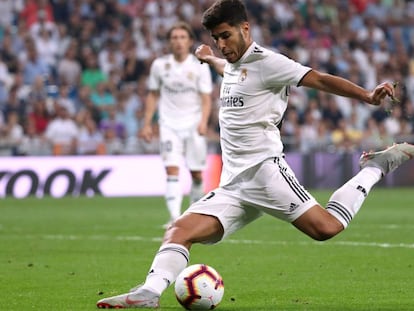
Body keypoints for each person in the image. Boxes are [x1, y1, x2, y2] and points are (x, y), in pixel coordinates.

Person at [96, 0, 414, 309]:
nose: (221, 44)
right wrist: (210, 59)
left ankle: (375, 167)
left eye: (226, 36)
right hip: (233, 184)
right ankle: (149, 293)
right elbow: (231, 71)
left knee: (326, 228)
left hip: (266, 173)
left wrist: (367, 96)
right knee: (179, 230)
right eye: (216, 38)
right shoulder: (232, 64)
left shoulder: (269, 63)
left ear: (245, 28)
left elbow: (318, 79)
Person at [138, 21, 213, 227]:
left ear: (189, 41)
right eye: (174, 38)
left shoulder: (200, 65)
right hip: (169, 125)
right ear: (169, 42)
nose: (178, 41)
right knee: (172, 169)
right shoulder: (160, 65)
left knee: (196, 173)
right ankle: (174, 218)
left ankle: (194, 216)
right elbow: (153, 95)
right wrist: (146, 124)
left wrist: (204, 122)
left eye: (182, 37)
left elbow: (206, 98)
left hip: (193, 124)